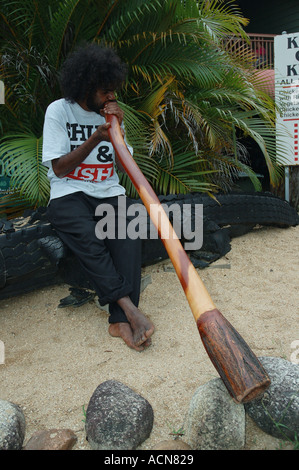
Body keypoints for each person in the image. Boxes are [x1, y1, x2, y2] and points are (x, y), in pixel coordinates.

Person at [42, 43, 154, 351]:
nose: (111, 98)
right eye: (105, 92)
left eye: (113, 91)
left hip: (108, 192)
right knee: (89, 239)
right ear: (87, 87)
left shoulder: (111, 115)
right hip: (69, 194)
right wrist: (94, 139)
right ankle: (130, 309)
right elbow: (60, 168)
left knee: (130, 230)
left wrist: (117, 131)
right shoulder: (59, 111)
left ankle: (118, 320)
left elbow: (125, 167)